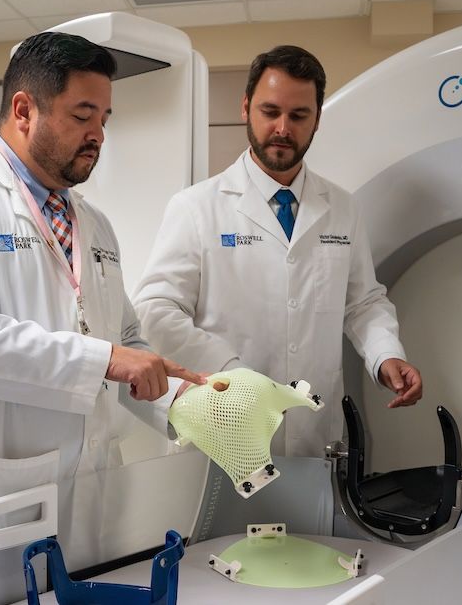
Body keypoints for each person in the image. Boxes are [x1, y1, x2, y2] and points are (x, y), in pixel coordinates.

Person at [0, 31, 204, 568]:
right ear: (23, 110)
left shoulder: (94, 223)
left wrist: (188, 402)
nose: (98, 134)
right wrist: (107, 359)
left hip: (88, 487)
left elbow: (124, 338)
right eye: (83, 115)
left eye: (104, 118)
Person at [133, 45, 423, 458]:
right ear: (246, 107)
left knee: (308, 525)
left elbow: (362, 302)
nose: (283, 128)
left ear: (317, 120)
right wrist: (234, 374)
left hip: (313, 432)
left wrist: (386, 355)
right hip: (224, 424)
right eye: (270, 112)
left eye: (299, 115)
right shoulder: (196, 207)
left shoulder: (341, 208)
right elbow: (154, 310)